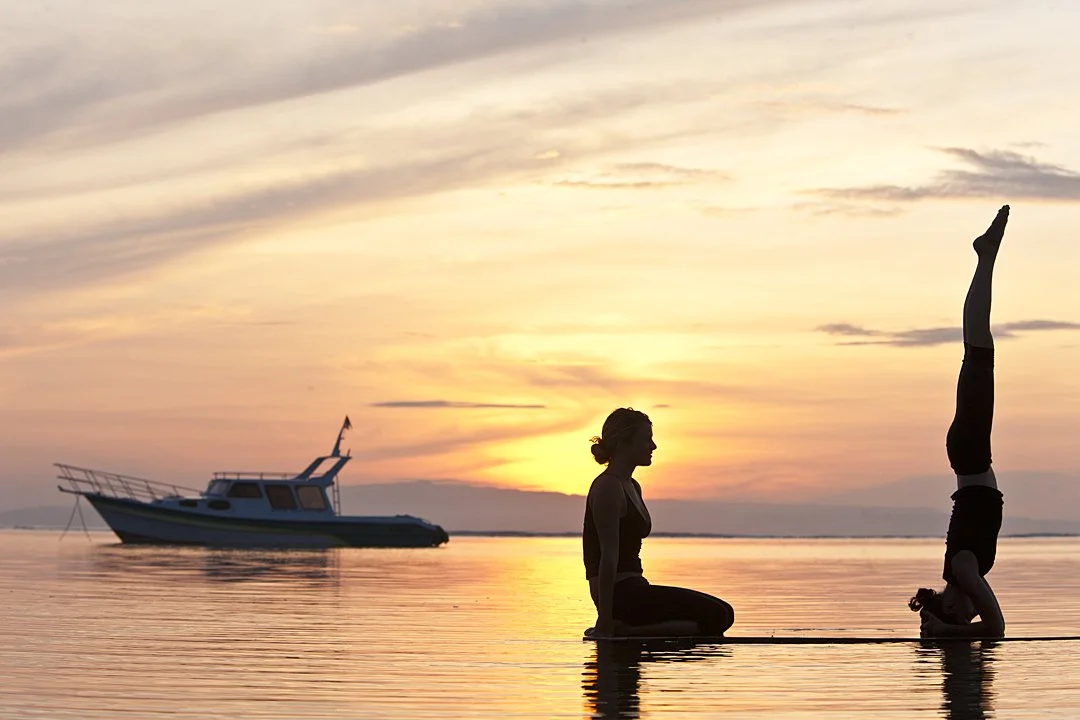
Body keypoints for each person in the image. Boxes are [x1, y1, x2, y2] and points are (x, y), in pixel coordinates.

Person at [909, 205, 1010, 638]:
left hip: (970, 454)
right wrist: (949, 629)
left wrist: (948, 632)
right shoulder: (963, 569)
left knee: (979, 351)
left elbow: (996, 628)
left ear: (950, 604)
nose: (971, 609)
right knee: (978, 353)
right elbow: (986, 626)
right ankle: (985, 258)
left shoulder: (964, 569)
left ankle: (985, 258)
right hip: (968, 455)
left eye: (961, 613)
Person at [583, 407, 735, 638]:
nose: (653, 446)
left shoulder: (632, 486)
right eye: (646, 439)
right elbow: (608, 556)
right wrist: (604, 617)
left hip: (636, 588)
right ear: (624, 442)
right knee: (717, 617)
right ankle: (622, 628)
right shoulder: (608, 488)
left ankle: (630, 628)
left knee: (724, 613)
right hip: (618, 595)